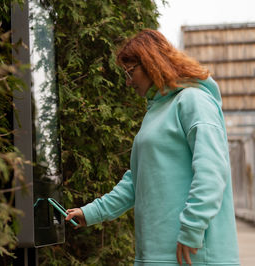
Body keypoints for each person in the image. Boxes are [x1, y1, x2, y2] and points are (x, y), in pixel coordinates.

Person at [65, 29, 240, 266]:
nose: (128, 82)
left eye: (129, 72)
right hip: (157, 253)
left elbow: (212, 171)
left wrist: (191, 228)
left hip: (194, 253)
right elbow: (137, 180)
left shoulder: (193, 101)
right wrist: (90, 213)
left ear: (150, 62)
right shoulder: (156, 111)